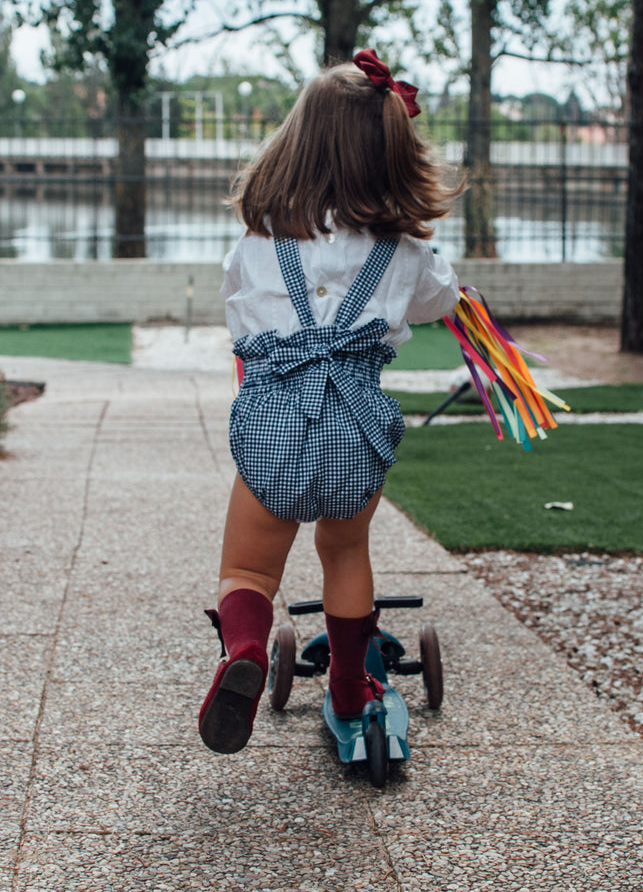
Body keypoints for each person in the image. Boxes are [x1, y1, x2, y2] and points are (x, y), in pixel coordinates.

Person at [199, 50, 465, 754]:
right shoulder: (406, 253)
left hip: (274, 424)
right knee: (344, 552)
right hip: (354, 425)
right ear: (389, 155)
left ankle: (247, 654)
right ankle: (352, 687)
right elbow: (443, 298)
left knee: (249, 569)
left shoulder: (255, 244)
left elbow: (239, 320)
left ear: (295, 144)